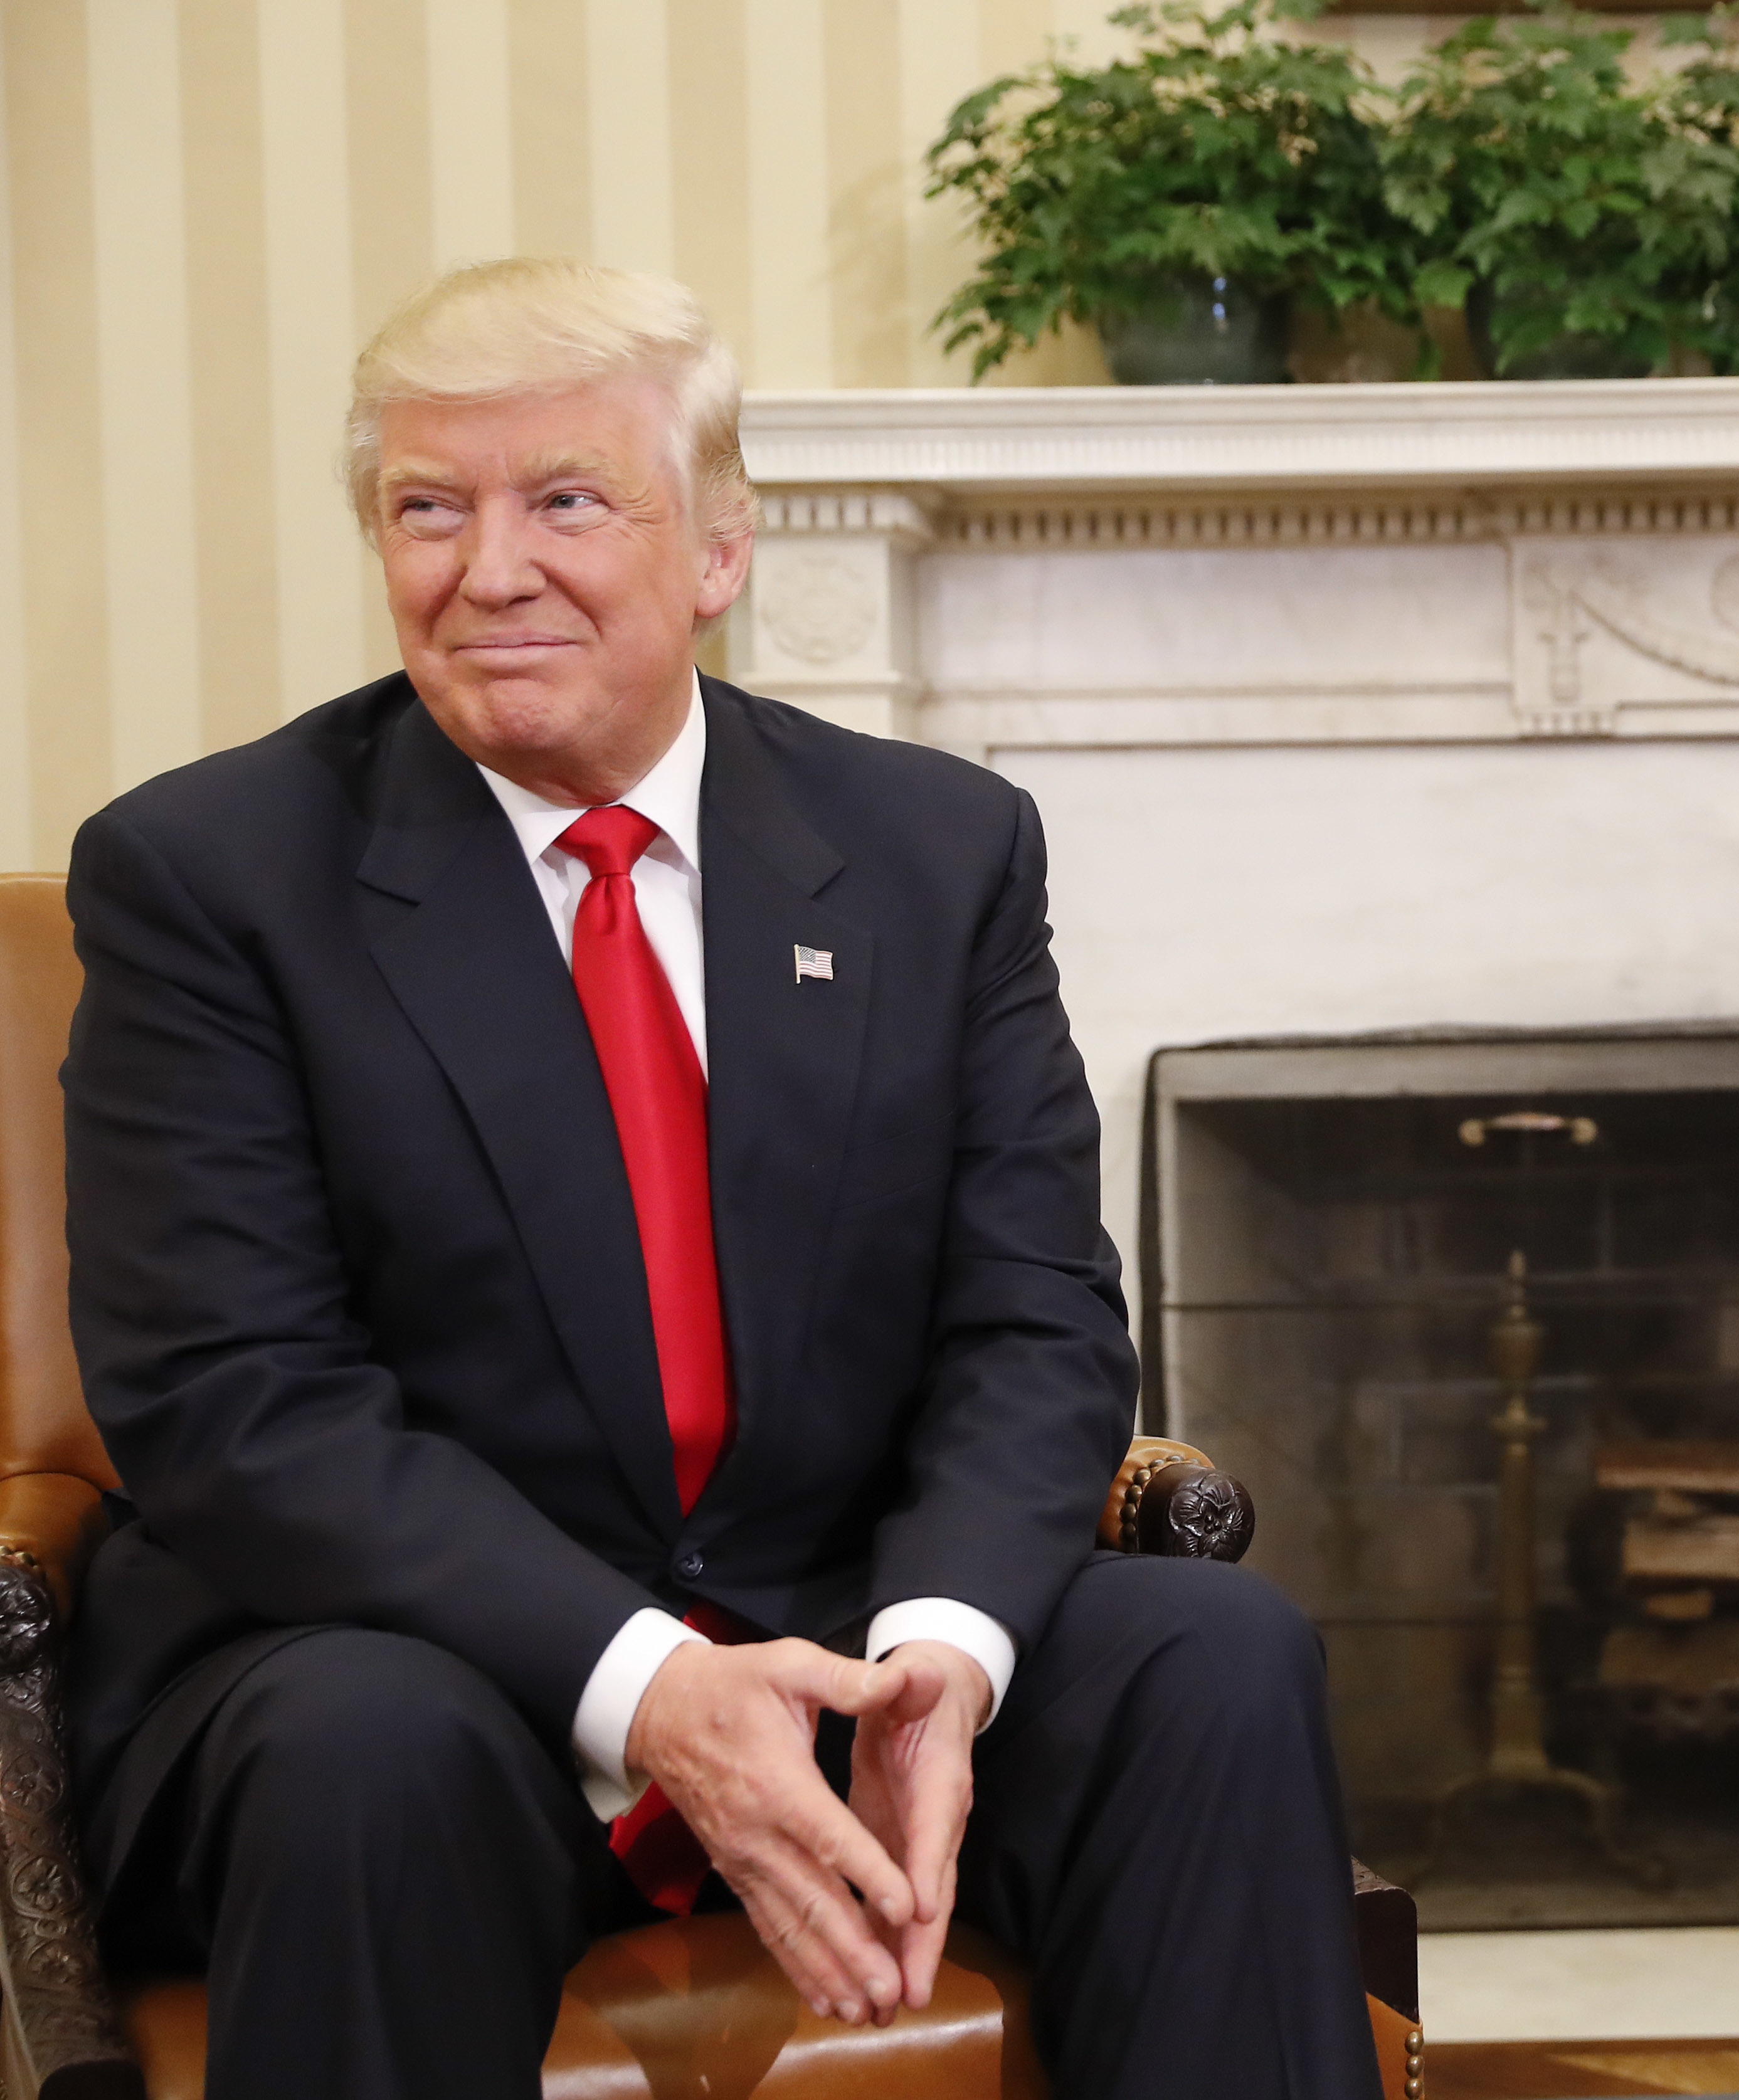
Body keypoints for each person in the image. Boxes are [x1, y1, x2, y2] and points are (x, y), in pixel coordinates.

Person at [59, 258, 1378, 2100]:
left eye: (566, 502)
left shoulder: (935, 851)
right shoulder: (210, 879)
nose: (489, 568)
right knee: (368, 1745)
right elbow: (235, 1404)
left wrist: (939, 1662)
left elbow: (1033, 1316)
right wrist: (649, 1688)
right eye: (428, 508)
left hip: (838, 1626)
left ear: (720, 552)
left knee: (1208, 1656)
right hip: (418, 1661)